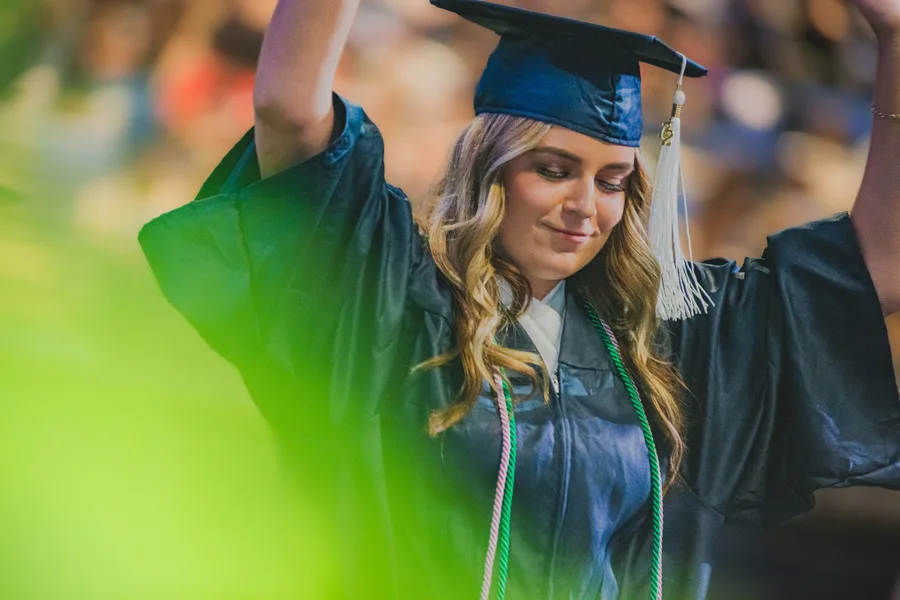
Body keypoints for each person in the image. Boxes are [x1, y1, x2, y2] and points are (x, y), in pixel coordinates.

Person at [137, 0, 900, 598]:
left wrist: (896, 38)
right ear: (490, 168)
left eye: (611, 181)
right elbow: (290, 112)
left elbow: (880, 266)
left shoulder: (667, 345)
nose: (586, 206)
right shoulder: (392, 307)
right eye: (554, 168)